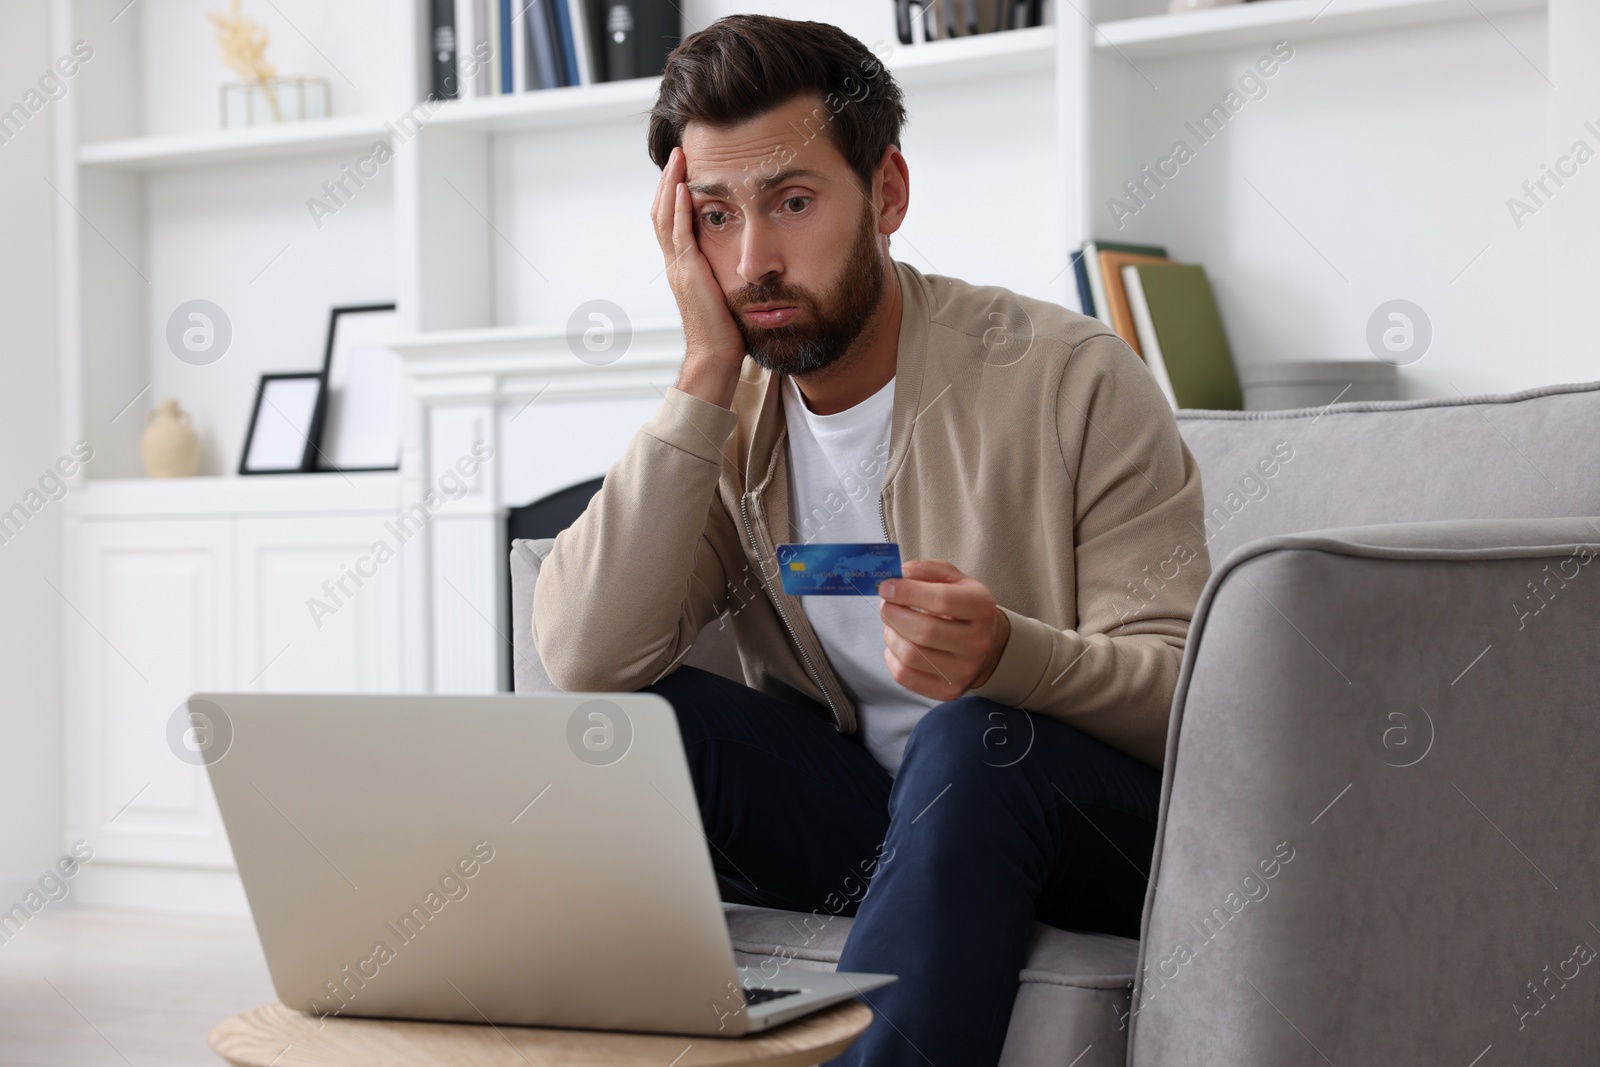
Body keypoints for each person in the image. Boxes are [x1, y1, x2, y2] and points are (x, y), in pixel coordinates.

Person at [533, 14, 1209, 1065]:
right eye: (715, 217)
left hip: (1081, 822)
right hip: (878, 820)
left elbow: (1187, 697)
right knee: (632, 726)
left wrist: (1010, 657)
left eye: (792, 203)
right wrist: (703, 372)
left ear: (886, 192)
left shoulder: (1072, 376)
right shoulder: (734, 419)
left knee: (971, 737)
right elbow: (585, 656)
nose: (754, 259)